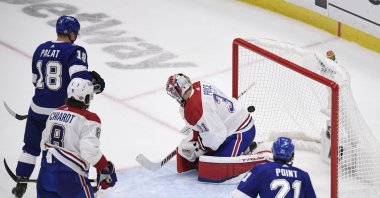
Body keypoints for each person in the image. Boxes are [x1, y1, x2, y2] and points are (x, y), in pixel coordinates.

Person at [12, 15, 105, 197]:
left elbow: (35, 80)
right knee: (71, 146)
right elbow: (79, 79)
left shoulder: (40, 48)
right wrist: (94, 80)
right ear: (71, 33)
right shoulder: (75, 51)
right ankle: (77, 181)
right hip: (59, 113)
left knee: (30, 147)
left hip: (36, 107)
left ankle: (20, 182)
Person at [37, 78, 116, 197]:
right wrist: (103, 167)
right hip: (71, 178)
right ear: (86, 98)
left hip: (45, 175)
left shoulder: (54, 113)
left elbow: (43, 142)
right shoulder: (89, 118)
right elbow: (89, 150)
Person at [165, 73, 256, 169]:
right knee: (204, 161)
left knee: (211, 169)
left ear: (180, 90)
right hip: (229, 124)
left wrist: (198, 148)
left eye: (174, 92)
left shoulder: (196, 107)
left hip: (241, 131)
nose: (174, 96)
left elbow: (216, 137)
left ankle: (247, 149)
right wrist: (195, 130)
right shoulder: (199, 84)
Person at [232, 137, 317, 198]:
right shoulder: (303, 175)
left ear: (273, 151)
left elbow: (239, 195)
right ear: (292, 155)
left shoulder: (262, 170)